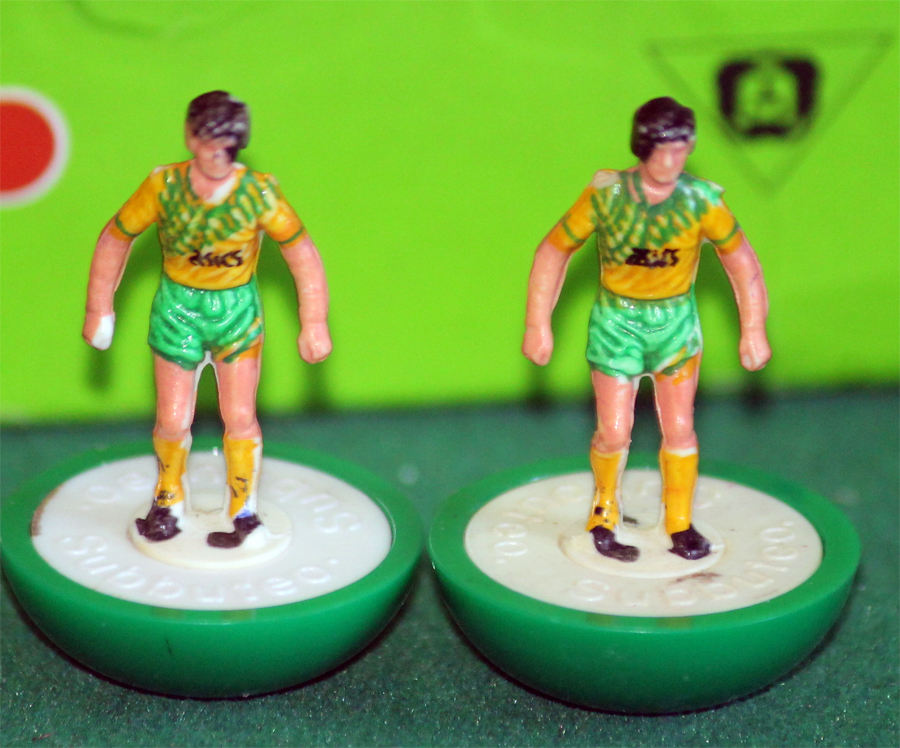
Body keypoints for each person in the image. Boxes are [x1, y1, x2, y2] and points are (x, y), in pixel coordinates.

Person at [523, 97, 770, 562]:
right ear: (643, 147)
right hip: (617, 321)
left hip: (675, 324)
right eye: (665, 150)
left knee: (679, 427)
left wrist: (753, 328)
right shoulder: (607, 195)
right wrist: (538, 324)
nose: (673, 161)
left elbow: (742, 261)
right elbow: (553, 250)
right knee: (615, 431)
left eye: (682, 150)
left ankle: (678, 521)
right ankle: (603, 513)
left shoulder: (701, 201)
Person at [83, 91, 332, 548]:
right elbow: (116, 236)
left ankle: (243, 511)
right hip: (178, 308)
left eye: (229, 146)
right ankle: (168, 500)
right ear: (190, 138)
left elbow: (301, 251)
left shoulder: (258, 193)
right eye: (210, 142)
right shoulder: (163, 187)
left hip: (236, 311)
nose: (219, 155)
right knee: (173, 418)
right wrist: (99, 308)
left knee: (240, 415)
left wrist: (314, 321)